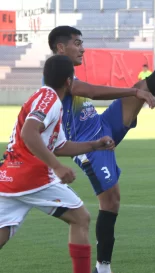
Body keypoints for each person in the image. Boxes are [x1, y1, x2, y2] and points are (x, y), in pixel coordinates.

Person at [48, 8, 155, 273]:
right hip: (89, 145)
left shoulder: (68, 72)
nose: (82, 49)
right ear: (60, 47)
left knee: (142, 89)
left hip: (102, 125)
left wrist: (136, 91)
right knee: (111, 201)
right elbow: (89, 92)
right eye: (77, 43)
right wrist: (133, 91)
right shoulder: (56, 75)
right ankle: (103, 267)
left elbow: (88, 93)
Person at [0, 55, 115, 273]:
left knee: (2, 230)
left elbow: (60, 146)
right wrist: (57, 167)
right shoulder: (49, 99)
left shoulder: (46, 99)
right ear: (69, 82)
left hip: (9, 175)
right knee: (80, 217)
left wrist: (95, 145)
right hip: (32, 175)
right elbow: (28, 132)